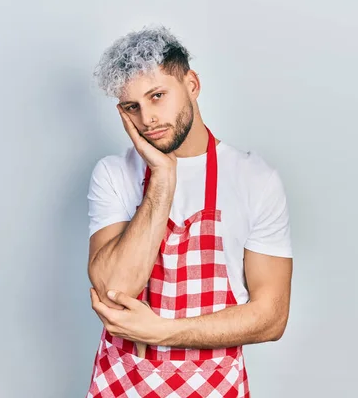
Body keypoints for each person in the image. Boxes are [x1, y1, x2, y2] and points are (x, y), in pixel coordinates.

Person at [86, 25, 293, 398]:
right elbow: (114, 289)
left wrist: (161, 331)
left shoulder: (254, 178)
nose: (147, 119)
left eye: (157, 96)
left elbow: (271, 317)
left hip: (213, 385)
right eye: (132, 107)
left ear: (192, 84)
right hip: (125, 382)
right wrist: (163, 177)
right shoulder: (114, 174)